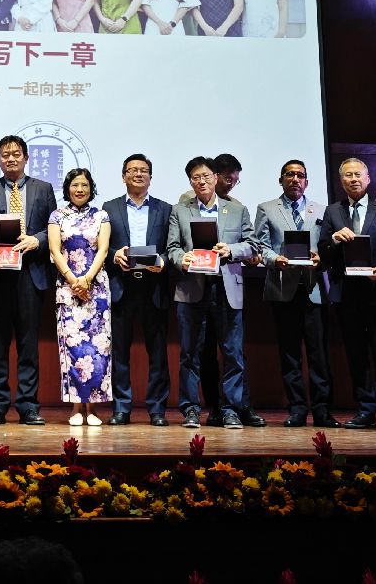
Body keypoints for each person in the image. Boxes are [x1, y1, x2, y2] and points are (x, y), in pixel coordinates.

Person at [167, 156, 258, 429]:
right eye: (196, 178)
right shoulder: (179, 210)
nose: (202, 182)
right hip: (192, 288)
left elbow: (252, 244)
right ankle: (191, 409)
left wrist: (232, 250)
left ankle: (231, 410)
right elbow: (172, 247)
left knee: (232, 354)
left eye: (206, 176)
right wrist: (181, 259)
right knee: (189, 354)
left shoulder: (237, 209)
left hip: (226, 288)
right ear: (190, 182)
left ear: (216, 178)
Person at [318, 157, 376, 430]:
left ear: (368, 179)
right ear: (341, 180)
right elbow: (323, 253)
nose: (354, 179)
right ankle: (365, 409)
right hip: (347, 294)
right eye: (348, 175)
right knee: (356, 355)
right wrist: (333, 240)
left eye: (358, 174)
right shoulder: (333, 212)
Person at [0, 134, 56, 425]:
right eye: (5, 155)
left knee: (28, 345)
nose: (10, 159)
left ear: (26, 157)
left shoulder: (43, 188)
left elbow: (53, 225)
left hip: (30, 274)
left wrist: (37, 240)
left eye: (16, 154)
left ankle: (28, 405)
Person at [255, 159, 335, 428]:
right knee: (289, 353)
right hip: (282, 288)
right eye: (289, 174)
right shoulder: (266, 208)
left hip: (314, 289)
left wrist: (321, 257)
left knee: (318, 354)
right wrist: (273, 259)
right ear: (281, 180)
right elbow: (260, 245)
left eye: (300, 175)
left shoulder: (322, 210)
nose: (295, 179)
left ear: (307, 182)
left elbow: (327, 246)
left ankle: (322, 410)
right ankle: (297, 409)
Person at [104, 154, 172, 426]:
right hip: (122, 286)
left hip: (154, 287)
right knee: (119, 351)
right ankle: (121, 408)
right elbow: (100, 245)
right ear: (123, 177)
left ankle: (157, 410)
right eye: (132, 170)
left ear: (151, 177)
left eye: (144, 170)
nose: (138, 174)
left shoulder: (165, 209)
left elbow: (172, 246)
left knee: (158, 352)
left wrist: (163, 260)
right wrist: (114, 255)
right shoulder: (109, 208)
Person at [47, 168, 111, 425]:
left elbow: (103, 250)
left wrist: (87, 279)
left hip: (96, 288)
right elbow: (54, 250)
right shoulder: (57, 215)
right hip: (67, 287)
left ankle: (93, 408)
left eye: (84, 185)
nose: (80, 189)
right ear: (67, 189)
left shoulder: (101, 215)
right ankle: (75, 407)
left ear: (91, 188)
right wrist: (73, 279)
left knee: (97, 350)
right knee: (72, 348)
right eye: (75, 185)